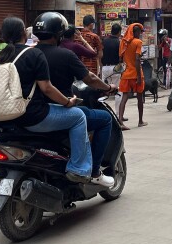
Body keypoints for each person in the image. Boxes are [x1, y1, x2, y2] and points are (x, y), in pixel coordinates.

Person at [0, 17, 92, 183]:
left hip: (2, 118)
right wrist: (67, 102)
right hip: (32, 117)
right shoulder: (34, 54)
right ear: (24, 33)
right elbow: (47, 88)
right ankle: (78, 169)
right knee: (79, 116)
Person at [34, 13, 115, 187]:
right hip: (54, 111)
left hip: (30, 111)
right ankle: (92, 170)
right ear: (59, 33)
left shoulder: (28, 54)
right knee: (103, 119)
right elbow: (90, 78)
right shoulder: (66, 54)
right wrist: (108, 88)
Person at [118, 23, 147, 127]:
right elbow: (137, 59)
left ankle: (120, 120)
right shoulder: (138, 42)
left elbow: (121, 59)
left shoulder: (123, 42)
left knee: (124, 97)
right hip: (136, 74)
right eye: (139, 32)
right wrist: (139, 77)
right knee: (140, 97)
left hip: (126, 74)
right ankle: (140, 121)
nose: (140, 34)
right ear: (135, 32)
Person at [101, 23, 124, 119]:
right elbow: (121, 56)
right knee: (119, 91)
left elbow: (100, 54)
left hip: (105, 68)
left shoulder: (104, 41)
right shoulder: (119, 42)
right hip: (116, 68)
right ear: (119, 32)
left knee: (103, 90)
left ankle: (103, 113)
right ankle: (119, 115)